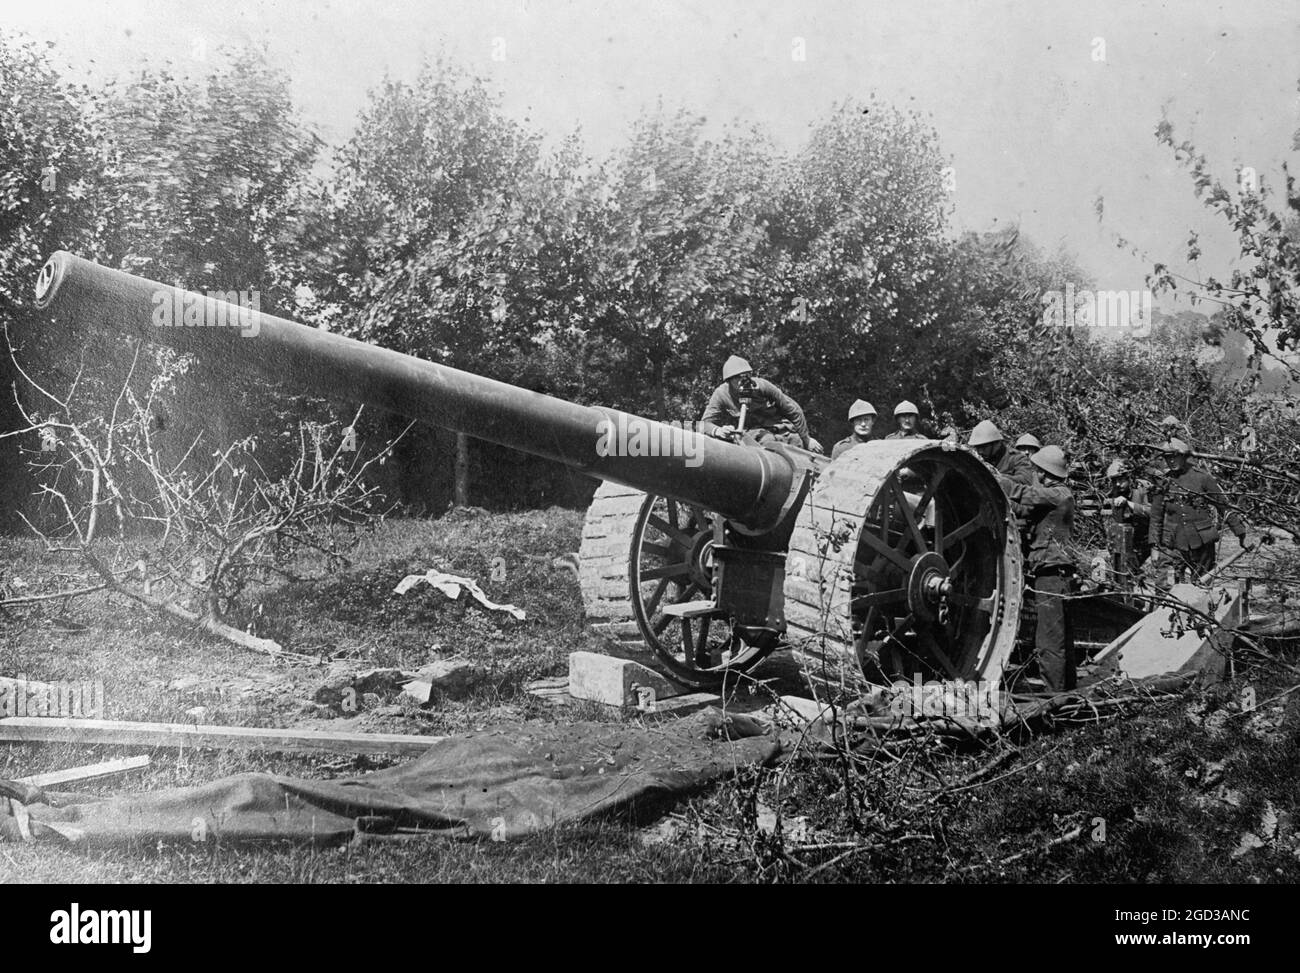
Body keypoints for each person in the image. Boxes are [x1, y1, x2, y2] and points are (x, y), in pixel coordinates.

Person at [997, 445, 1077, 692]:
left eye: (1037, 471)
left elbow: (1025, 494)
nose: (1036, 475)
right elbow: (1023, 507)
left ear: (1044, 473)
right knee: (1060, 634)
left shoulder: (1059, 495)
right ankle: (1066, 691)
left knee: (1049, 638)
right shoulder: (1054, 495)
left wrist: (997, 479)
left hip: (1052, 572)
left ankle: (1055, 695)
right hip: (1054, 572)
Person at [1149, 438, 1252, 582]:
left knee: (1202, 586)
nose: (1171, 461)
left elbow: (1223, 506)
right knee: (1165, 584)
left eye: (1174, 456)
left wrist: (1240, 533)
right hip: (1173, 543)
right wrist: (1154, 547)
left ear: (1184, 456)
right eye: (1167, 457)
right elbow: (1156, 517)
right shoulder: (1163, 482)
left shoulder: (1202, 478)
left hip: (1201, 542)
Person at [699, 355, 810, 448]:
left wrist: (807, 440)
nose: (744, 381)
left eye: (747, 376)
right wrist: (718, 430)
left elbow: (793, 410)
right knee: (767, 441)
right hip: (756, 434)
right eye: (738, 378)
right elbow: (704, 424)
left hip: (781, 429)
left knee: (797, 443)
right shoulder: (721, 394)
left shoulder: (762, 386)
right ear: (729, 380)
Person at [1106, 458, 1152, 573]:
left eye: (1121, 480)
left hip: (1148, 539)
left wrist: (1129, 504)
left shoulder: (1143, 489)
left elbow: (1153, 512)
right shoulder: (1115, 493)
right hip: (1129, 540)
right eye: (1114, 481)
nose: (1117, 484)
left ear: (1129, 477)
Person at [968, 420, 1035, 486]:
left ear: (997, 443)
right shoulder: (979, 459)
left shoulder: (1016, 458)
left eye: (983, 447)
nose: (980, 451)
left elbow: (1026, 481)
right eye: (977, 447)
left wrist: (997, 477)